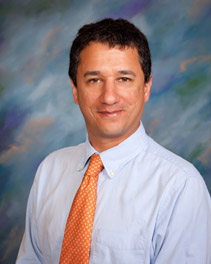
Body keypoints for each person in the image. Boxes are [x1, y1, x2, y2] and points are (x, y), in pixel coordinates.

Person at [16, 18, 211, 264]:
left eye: (124, 79)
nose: (109, 97)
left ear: (147, 87)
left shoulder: (181, 186)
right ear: (75, 89)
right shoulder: (49, 171)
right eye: (94, 80)